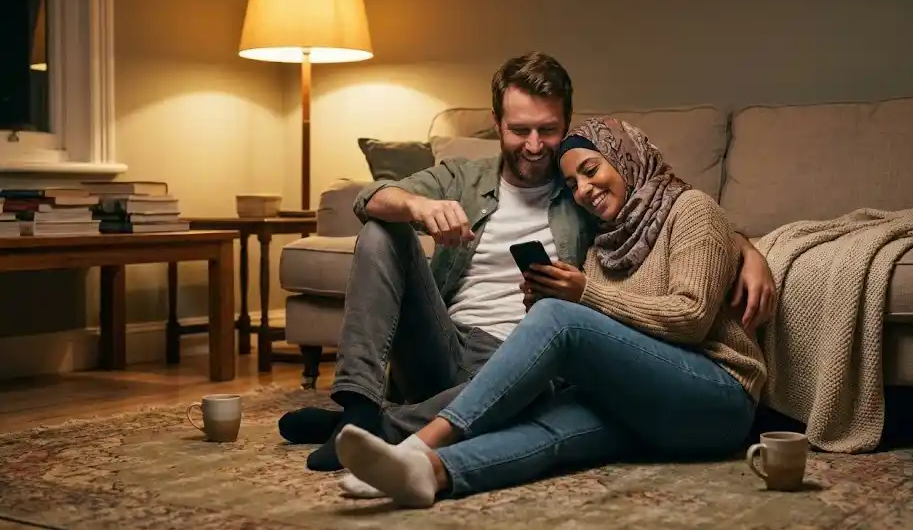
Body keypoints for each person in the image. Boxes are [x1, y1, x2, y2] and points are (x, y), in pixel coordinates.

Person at [277, 52, 776, 473]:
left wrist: (742, 247)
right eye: (519, 130)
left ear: (567, 123)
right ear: (496, 124)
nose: (534, 146)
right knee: (382, 229)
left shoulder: (579, 185)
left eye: (548, 130)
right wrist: (419, 207)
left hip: (523, 355)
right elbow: (371, 198)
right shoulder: (463, 177)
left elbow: (663, 200)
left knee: (542, 378)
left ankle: (375, 428)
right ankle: (360, 406)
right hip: (443, 342)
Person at [333, 116, 768, 508]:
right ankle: (429, 472)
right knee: (549, 429)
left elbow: (690, 318)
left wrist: (583, 298)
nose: (584, 190)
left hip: (717, 396)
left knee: (559, 317)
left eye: (591, 170)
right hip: (645, 404)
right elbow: (614, 334)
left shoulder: (691, 210)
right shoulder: (604, 245)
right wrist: (545, 300)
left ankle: (418, 443)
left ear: (626, 158)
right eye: (573, 183)